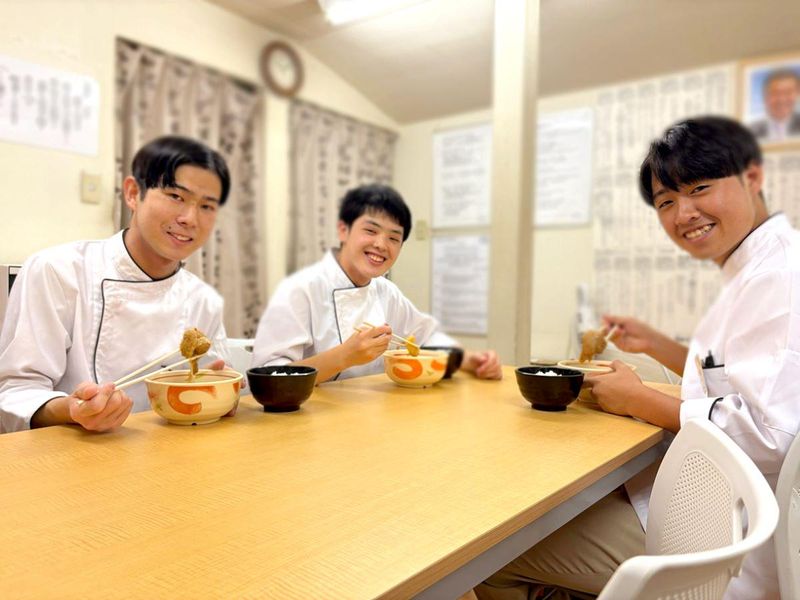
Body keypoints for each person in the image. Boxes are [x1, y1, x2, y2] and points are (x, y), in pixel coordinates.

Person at [476, 116, 799, 600]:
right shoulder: (758, 266)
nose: (683, 214)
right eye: (666, 202)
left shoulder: (779, 277)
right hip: (721, 502)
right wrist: (654, 344)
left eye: (699, 189)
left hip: (729, 541)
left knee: (494, 552)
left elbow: (770, 434)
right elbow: (743, 376)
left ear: (751, 179)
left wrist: (637, 400)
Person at [0, 136, 232, 433]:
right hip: (73, 452)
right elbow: (15, 394)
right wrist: (74, 410)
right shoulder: (57, 271)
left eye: (207, 206)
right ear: (134, 193)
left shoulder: (203, 299)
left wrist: (222, 395)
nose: (190, 218)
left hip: (171, 451)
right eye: (176, 196)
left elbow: (210, 383)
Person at [252, 184, 502, 383]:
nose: (381, 245)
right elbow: (268, 377)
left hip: (374, 416)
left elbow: (426, 338)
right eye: (371, 231)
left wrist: (469, 360)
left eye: (394, 238)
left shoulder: (385, 291)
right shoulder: (300, 289)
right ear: (343, 230)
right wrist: (344, 357)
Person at [749, 68, 800, 142]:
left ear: (797, 95)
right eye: (775, 93)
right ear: (765, 97)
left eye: (788, 92)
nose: (781, 99)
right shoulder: (751, 131)